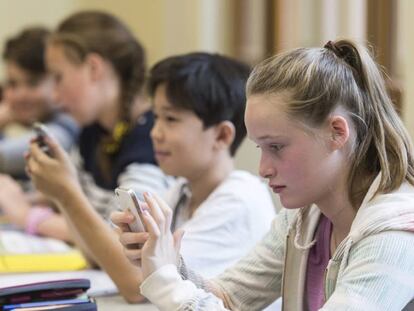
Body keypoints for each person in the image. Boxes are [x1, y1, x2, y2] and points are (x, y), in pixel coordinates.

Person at [118, 40, 414, 310]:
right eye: (260, 147)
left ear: (336, 132)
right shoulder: (304, 217)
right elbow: (228, 297)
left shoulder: (394, 236)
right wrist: (168, 263)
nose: (263, 169)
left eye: (276, 146)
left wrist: (165, 281)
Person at [27, 52, 276, 302]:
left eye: (171, 119)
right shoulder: (181, 190)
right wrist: (58, 193)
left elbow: (139, 285)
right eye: (156, 117)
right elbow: (96, 256)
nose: (155, 133)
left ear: (222, 136)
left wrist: (67, 193)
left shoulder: (238, 200)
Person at [6, 11, 170, 244]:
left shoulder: (150, 139)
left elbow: (121, 238)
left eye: (59, 77)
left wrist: (28, 216)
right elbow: (76, 207)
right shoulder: (92, 131)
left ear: (94, 68)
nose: (55, 95)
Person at [0, 27, 78, 178]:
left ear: (57, 80)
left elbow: (4, 156)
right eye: (12, 84)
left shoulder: (68, 126)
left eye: (33, 83)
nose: (20, 95)